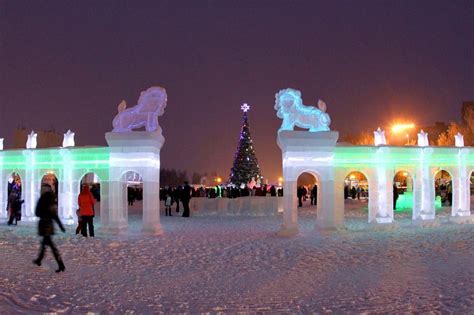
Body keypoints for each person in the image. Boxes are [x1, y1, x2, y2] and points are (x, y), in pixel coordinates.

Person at [33, 184, 66, 273]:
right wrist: (60, 225)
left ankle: (61, 264)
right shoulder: (51, 200)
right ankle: (39, 260)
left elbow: (37, 213)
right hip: (49, 225)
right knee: (45, 243)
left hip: (44, 224)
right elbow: (54, 215)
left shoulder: (42, 200)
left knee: (50, 245)